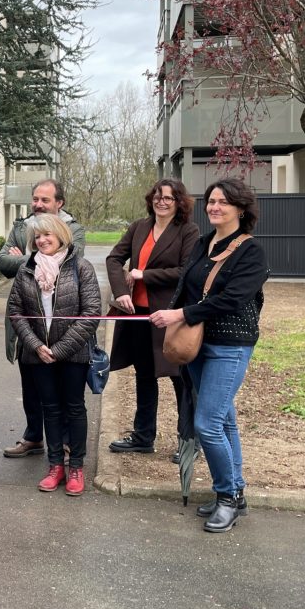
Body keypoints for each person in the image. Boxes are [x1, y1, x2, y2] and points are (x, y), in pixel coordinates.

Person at [151, 178, 268, 533]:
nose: (215, 207)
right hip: (198, 344)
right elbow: (187, 288)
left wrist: (181, 315)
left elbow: (233, 299)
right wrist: (174, 320)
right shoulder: (204, 244)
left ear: (241, 209)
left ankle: (227, 498)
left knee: (207, 425)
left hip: (230, 347)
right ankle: (236, 493)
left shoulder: (251, 251)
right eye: (212, 201)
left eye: (224, 202)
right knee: (224, 421)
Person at [7, 213, 101, 496]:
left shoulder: (81, 268)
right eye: (37, 237)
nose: (42, 240)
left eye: (47, 234)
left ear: (61, 234)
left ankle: (76, 468)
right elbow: (16, 311)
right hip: (38, 355)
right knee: (50, 409)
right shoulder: (27, 268)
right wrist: (36, 346)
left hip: (72, 355)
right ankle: (55, 465)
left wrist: (59, 350)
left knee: (73, 407)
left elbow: (91, 314)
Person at [106, 178, 200, 458]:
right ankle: (143, 436)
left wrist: (144, 274)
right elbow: (114, 259)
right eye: (157, 196)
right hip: (138, 314)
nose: (161, 201)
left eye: (168, 198)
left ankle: (189, 442)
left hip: (170, 315)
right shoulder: (139, 227)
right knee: (144, 376)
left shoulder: (188, 231)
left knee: (180, 380)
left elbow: (186, 270)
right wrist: (121, 291)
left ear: (179, 202)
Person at [0, 179, 87, 460]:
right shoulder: (21, 227)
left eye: (44, 200)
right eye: (35, 198)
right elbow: (2, 263)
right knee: (31, 385)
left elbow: (71, 263)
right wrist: (35, 258)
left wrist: (25, 256)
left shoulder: (74, 230)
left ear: (59, 203)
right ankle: (34, 437)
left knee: (64, 391)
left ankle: (66, 443)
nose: (37, 204)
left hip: (63, 326)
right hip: (29, 326)